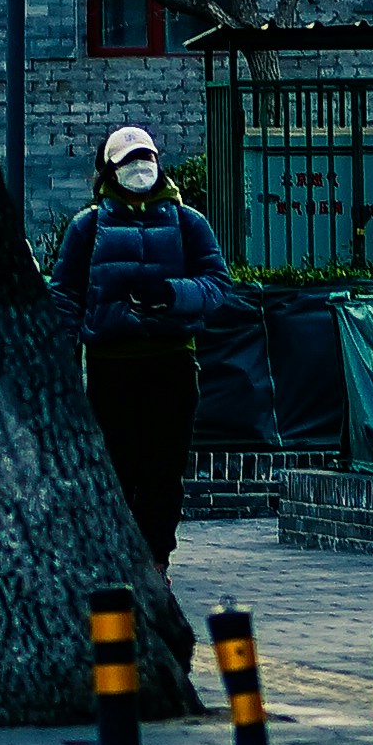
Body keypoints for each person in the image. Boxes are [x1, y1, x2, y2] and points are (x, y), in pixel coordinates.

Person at [50, 126, 232, 569]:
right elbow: (64, 296)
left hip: (172, 364)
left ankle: (156, 563)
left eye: (145, 158)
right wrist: (62, 358)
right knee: (116, 471)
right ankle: (115, 560)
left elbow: (217, 284)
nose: (139, 169)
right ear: (108, 171)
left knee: (163, 474)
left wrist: (172, 294)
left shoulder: (189, 223)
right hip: (112, 368)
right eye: (128, 161)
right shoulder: (87, 226)